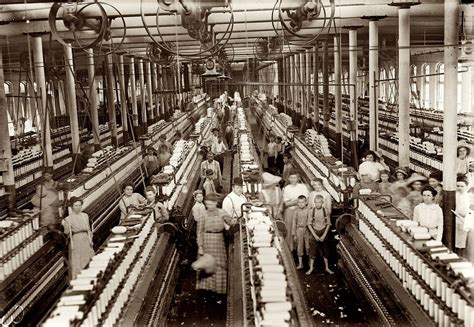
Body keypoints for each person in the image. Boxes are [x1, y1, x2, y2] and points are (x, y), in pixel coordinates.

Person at [196, 193, 234, 294]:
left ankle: (219, 289)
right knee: (207, 265)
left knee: (220, 265)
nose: (209, 206)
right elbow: (199, 232)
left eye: (211, 204)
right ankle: (208, 290)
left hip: (218, 241)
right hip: (207, 241)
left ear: (216, 203)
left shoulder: (222, 213)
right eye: (207, 204)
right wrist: (200, 246)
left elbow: (231, 221)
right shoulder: (203, 215)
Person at [62, 197, 94, 280]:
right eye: (76, 205)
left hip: (86, 238)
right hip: (76, 240)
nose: (78, 207)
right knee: (78, 261)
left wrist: (90, 239)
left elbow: (89, 229)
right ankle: (79, 279)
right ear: (72, 206)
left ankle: (90, 277)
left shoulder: (85, 216)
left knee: (88, 258)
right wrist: (65, 225)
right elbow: (66, 233)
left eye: (80, 205)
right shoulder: (68, 219)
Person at [282, 170, 310, 251]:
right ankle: (290, 249)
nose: (293, 179)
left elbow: (307, 200)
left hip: (302, 212)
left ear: (298, 178)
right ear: (288, 178)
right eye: (291, 178)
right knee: (290, 230)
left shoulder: (303, 187)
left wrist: (293, 201)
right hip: (290, 212)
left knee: (302, 230)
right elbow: (286, 204)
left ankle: (302, 250)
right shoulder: (286, 189)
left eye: (295, 178)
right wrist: (299, 201)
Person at [306, 195, 333, 275]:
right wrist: (315, 235)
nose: (318, 204)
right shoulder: (311, 211)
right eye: (316, 202)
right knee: (312, 250)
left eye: (319, 202)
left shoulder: (325, 211)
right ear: (314, 203)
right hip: (314, 231)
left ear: (322, 203)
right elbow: (309, 224)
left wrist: (324, 235)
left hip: (323, 231)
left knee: (325, 250)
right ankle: (311, 268)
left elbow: (328, 224)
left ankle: (327, 267)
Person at [292, 195, 310, 269]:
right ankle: (300, 264)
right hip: (299, 230)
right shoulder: (296, 212)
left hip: (307, 230)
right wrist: (294, 234)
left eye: (302, 202)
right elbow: (294, 223)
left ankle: (309, 264)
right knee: (299, 247)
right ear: (297, 203)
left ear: (306, 202)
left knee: (308, 246)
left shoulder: (309, 210)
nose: (301, 204)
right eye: (299, 202)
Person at [455, 175, 471, 254]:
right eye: (458, 186)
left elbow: (464, 211)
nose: (460, 188)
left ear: (466, 187)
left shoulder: (467, 197)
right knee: (454, 240)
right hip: (455, 219)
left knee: (461, 241)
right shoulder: (455, 195)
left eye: (462, 186)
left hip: (462, 220)